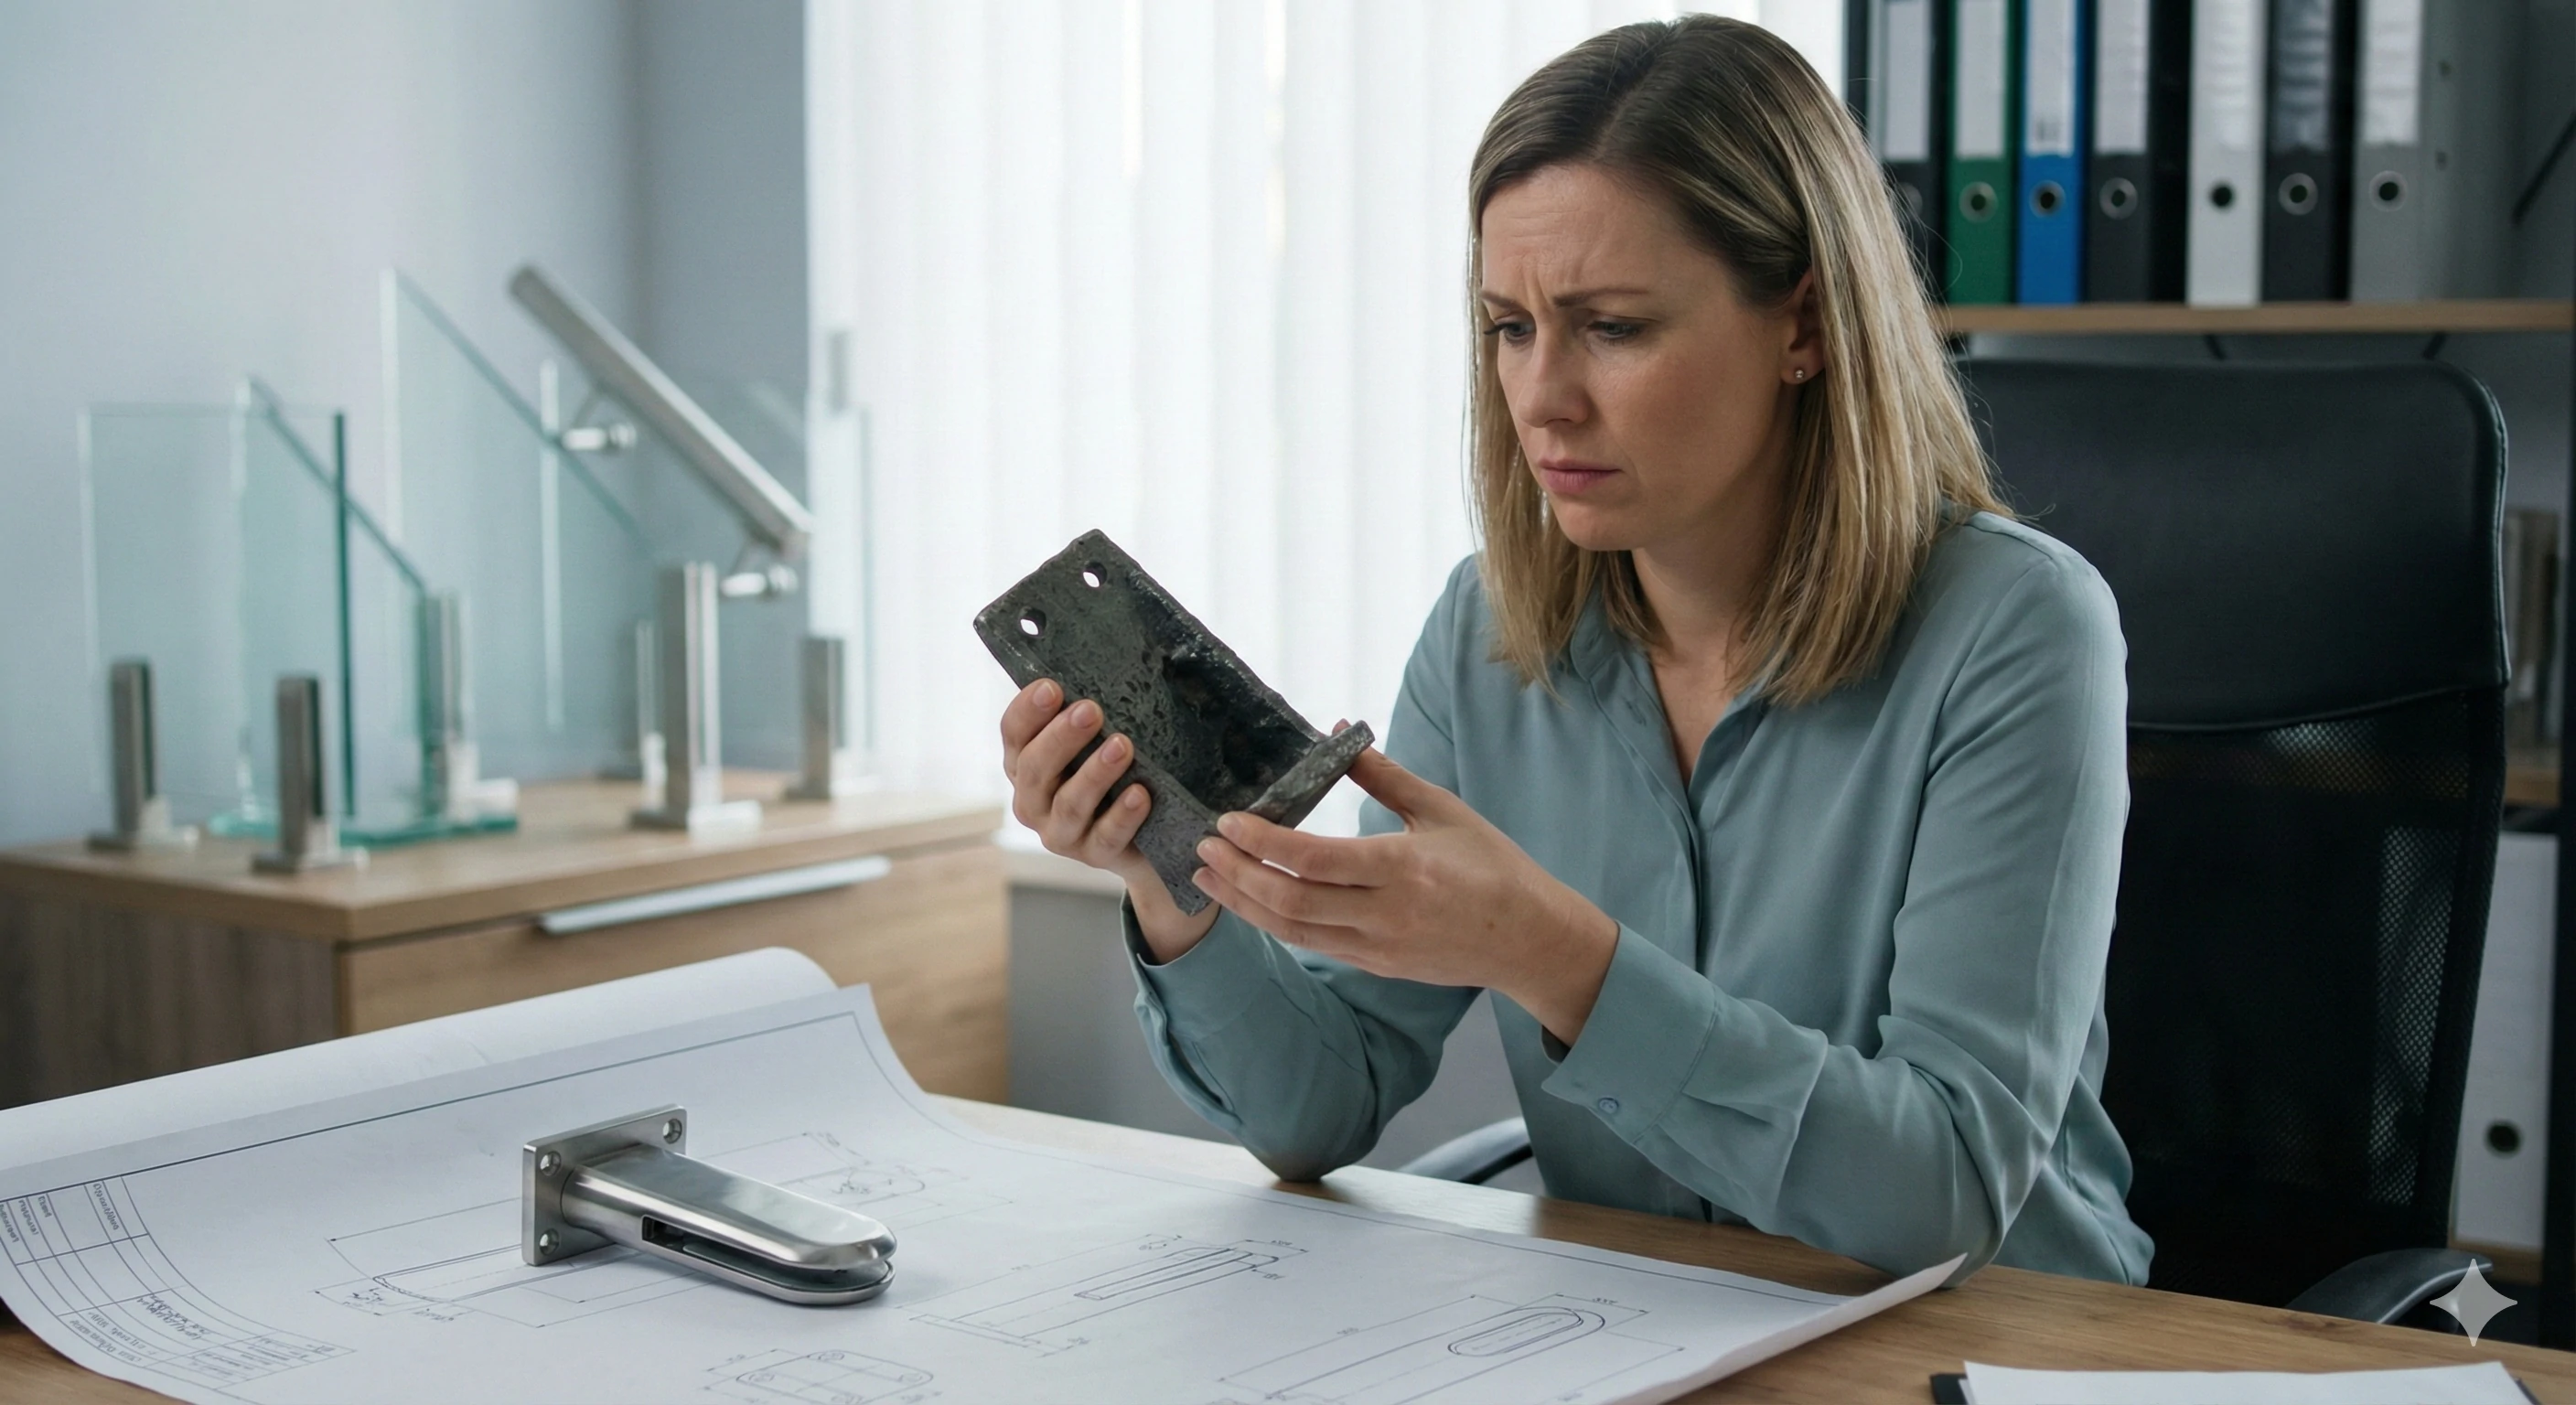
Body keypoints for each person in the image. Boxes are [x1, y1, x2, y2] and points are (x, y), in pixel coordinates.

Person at [996, 15, 2151, 1285]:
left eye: (1612, 326)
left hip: (2001, 1343)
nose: (1543, 396)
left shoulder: (2018, 629)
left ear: (1803, 327)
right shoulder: (1487, 633)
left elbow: (1946, 1190)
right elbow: (1319, 1108)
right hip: (1655, 1332)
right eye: (1509, 326)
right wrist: (1169, 878)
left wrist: (1557, 957)